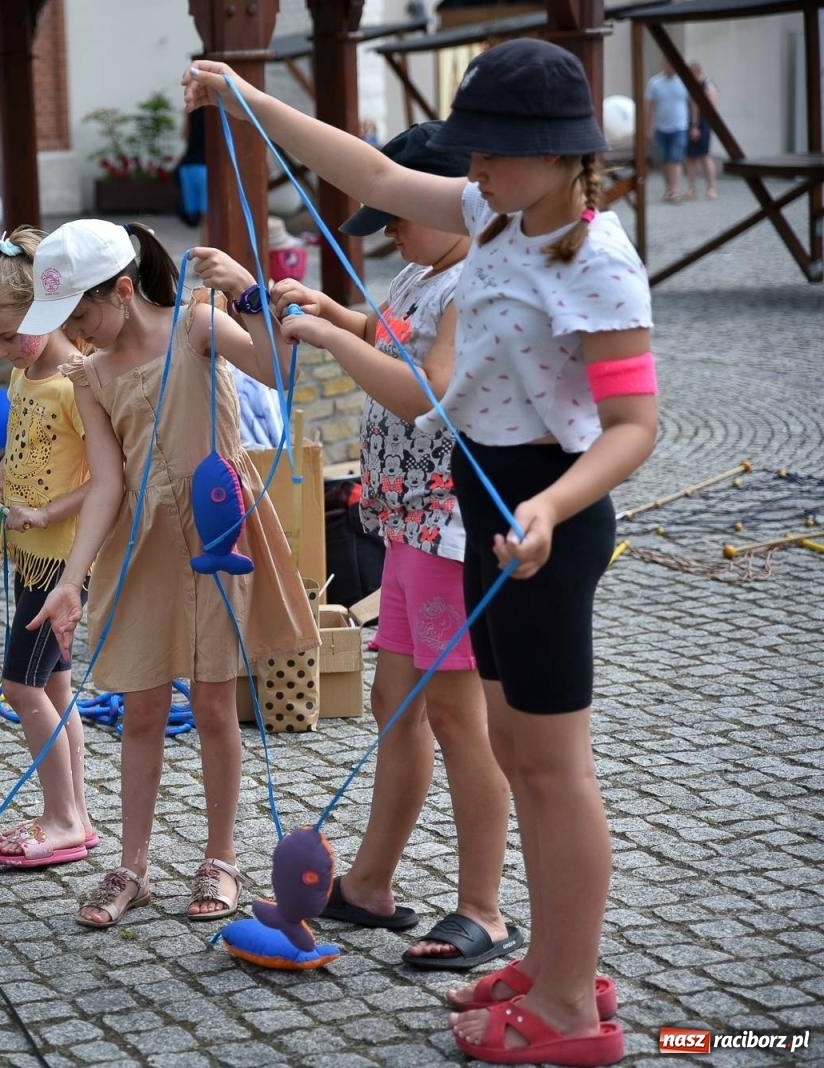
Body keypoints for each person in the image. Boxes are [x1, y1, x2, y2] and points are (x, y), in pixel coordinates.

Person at [188, 36, 656, 1067]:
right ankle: (547, 966)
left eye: (490, 152)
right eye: (469, 151)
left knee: (553, 768)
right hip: (487, 503)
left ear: (559, 153)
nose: (470, 169)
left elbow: (633, 427)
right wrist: (243, 98)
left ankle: (572, 1007)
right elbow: (373, 172)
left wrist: (549, 511)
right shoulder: (494, 211)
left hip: (541, 517)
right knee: (517, 751)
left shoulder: (597, 260)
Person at [203, 123, 516, 973]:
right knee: (394, 703)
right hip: (408, 525)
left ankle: (483, 906)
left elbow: (427, 393)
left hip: (451, 530)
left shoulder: (475, 285)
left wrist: (332, 341)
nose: (393, 236)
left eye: (402, 217)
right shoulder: (426, 269)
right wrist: (324, 310)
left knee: (459, 717)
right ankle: (371, 883)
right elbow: (391, 337)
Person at [25, 220, 319, 927]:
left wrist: (247, 290)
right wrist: (72, 576)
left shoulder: (197, 326)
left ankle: (220, 859)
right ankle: (131, 864)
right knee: (142, 708)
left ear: (124, 290)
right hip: (143, 542)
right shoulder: (89, 374)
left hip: (218, 530)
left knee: (216, 703)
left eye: (82, 314)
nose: (79, 332)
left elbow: (277, 371)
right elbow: (105, 483)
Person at [0, 226, 96, 868]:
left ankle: (63, 817)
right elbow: (27, 451)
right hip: (32, 554)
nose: (1, 349)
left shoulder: (74, 383)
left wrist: (45, 510)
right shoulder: (28, 376)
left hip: (61, 561)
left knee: (21, 688)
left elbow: (105, 479)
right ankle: (77, 812)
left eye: (11, 333)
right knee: (56, 686)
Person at [645, 59, 691, 203]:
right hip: (661, 127)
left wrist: (695, 124)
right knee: (665, 160)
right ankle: (668, 188)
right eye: (669, 65)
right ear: (664, 66)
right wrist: (648, 128)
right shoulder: (655, 83)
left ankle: (674, 190)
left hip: (680, 126)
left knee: (675, 158)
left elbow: (693, 103)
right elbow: (648, 106)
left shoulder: (684, 81)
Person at [686, 61, 718, 200]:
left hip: (701, 124)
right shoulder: (695, 86)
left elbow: (701, 107)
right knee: (690, 158)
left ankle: (711, 188)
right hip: (694, 123)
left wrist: (695, 126)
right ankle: (692, 188)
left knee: (704, 156)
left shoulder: (706, 86)